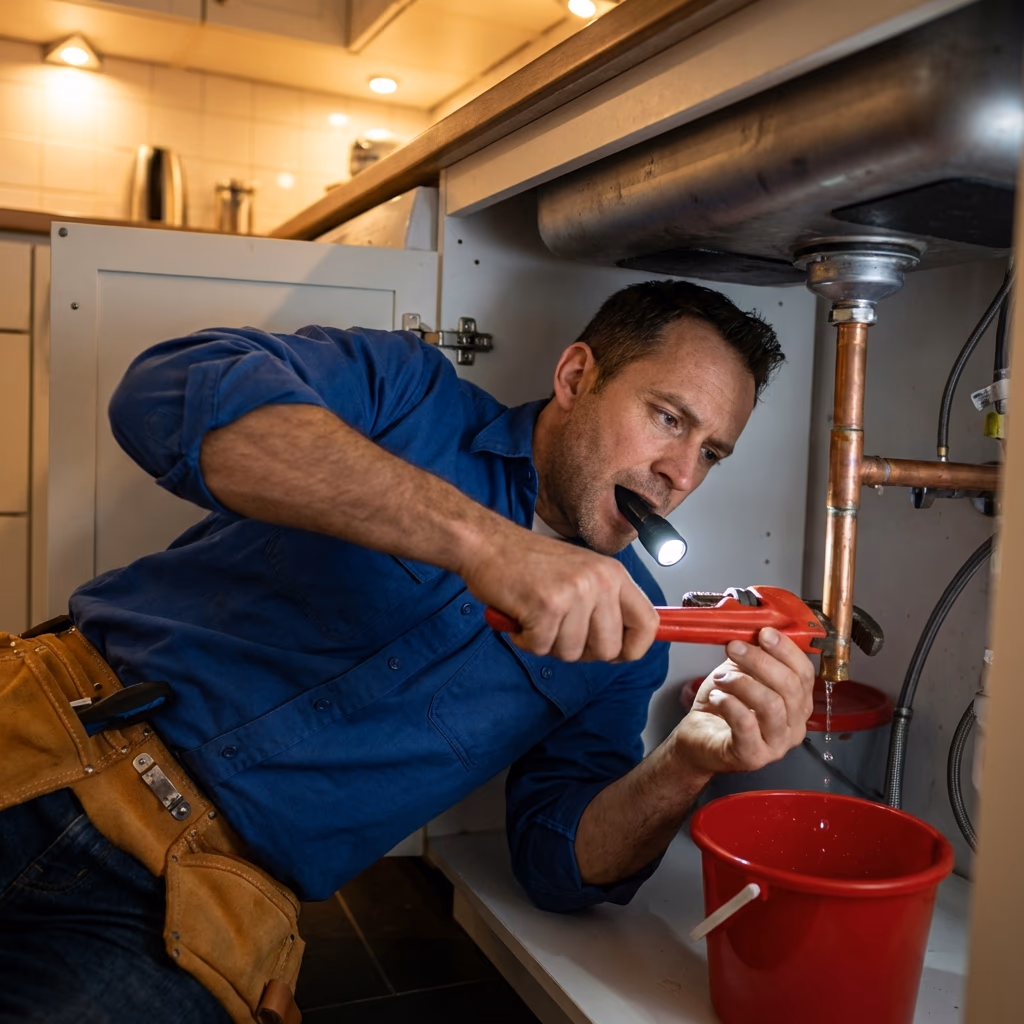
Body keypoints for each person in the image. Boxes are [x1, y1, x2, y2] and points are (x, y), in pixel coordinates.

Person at [0, 280, 813, 1023]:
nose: (679, 473)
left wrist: (690, 760)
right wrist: (482, 543)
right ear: (575, 377)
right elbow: (165, 391)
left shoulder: (629, 638)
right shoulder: (409, 396)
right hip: (42, 734)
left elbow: (558, 865)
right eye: (669, 418)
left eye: (711, 451)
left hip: (194, 909)